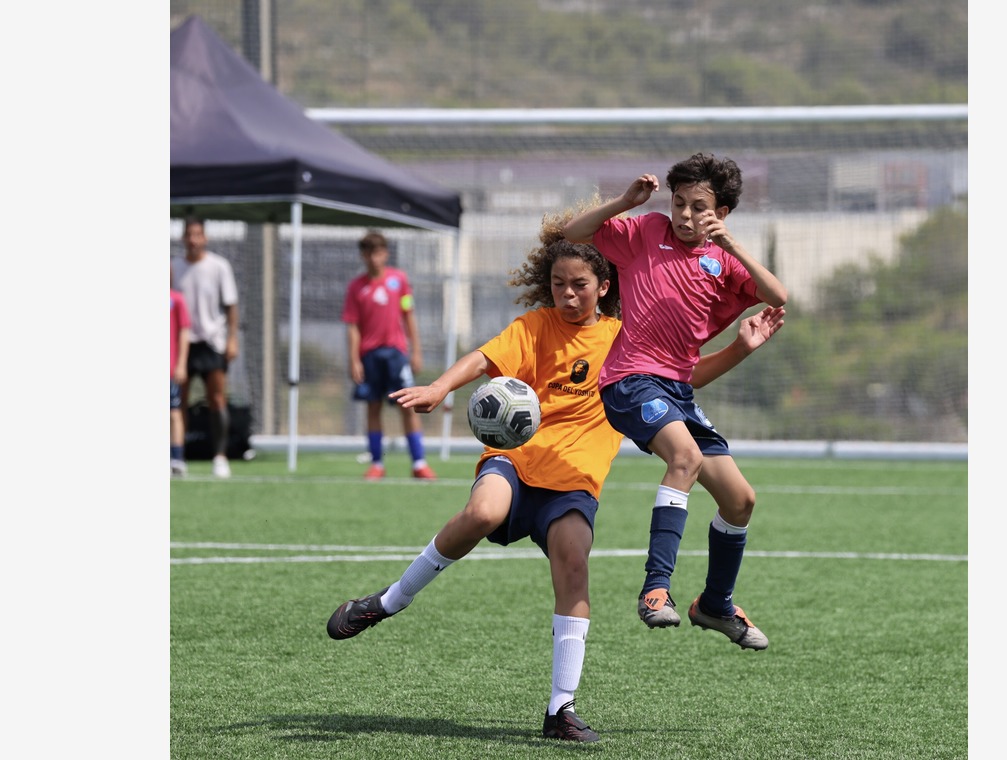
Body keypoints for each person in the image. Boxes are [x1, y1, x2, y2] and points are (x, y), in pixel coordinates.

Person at [325, 211, 785, 742]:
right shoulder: (535, 327)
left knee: (574, 564)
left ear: (606, 285)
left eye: (579, 285)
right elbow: (482, 359)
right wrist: (439, 387)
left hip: (574, 479)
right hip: (518, 461)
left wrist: (740, 348)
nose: (567, 295)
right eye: (558, 285)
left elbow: (686, 376)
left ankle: (560, 710)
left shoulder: (625, 339)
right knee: (484, 512)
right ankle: (388, 602)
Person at [562, 152, 789, 651]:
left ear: (722, 213)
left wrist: (730, 244)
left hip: (677, 392)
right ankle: (655, 588)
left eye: (699, 207)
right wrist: (624, 201)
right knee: (684, 458)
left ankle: (715, 604)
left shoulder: (723, 261)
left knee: (740, 500)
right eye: (679, 202)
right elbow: (572, 233)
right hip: (627, 380)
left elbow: (777, 294)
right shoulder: (644, 230)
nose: (684, 215)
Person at [342, 230, 436, 481]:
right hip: (369, 355)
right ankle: (376, 464)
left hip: (396, 354)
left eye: (379, 253)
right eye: (369, 253)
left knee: (407, 406)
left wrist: (416, 350)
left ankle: (419, 463)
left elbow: (409, 315)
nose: (375, 258)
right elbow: (352, 326)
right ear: (363, 256)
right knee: (373, 407)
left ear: (385, 254)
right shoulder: (356, 287)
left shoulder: (399, 280)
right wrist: (353, 359)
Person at [173, 216, 240, 479]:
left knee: (216, 398)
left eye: (198, 234)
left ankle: (220, 457)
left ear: (205, 237)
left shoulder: (219, 266)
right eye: (189, 234)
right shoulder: (173, 267)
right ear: (183, 238)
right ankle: (178, 456)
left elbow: (231, 306)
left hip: (212, 341)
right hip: (182, 345)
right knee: (178, 402)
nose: (193, 239)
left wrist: (232, 339)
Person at [170, 266, 191, 477]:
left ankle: (176, 458)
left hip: (169, 368)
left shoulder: (176, 299)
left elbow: (184, 332)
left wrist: (181, 363)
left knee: (174, 412)